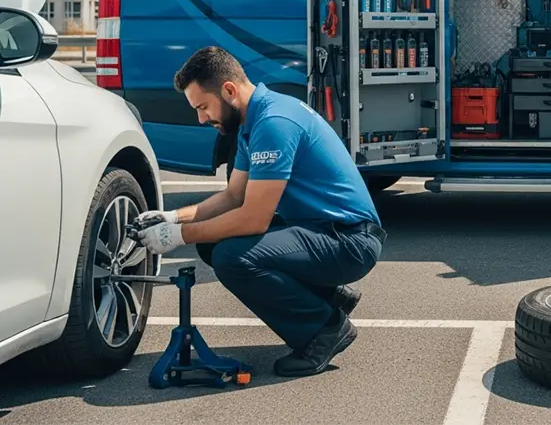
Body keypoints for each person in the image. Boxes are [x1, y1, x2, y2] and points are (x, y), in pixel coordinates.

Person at [135, 46, 386, 378]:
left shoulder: (273, 122)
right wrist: (173, 218)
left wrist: (176, 237)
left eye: (203, 106)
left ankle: (323, 329)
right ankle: (326, 297)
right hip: (321, 229)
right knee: (212, 244)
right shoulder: (251, 119)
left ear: (228, 90)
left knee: (232, 257)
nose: (201, 118)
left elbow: (253, 218)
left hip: (350, 240)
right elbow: (234, 196)